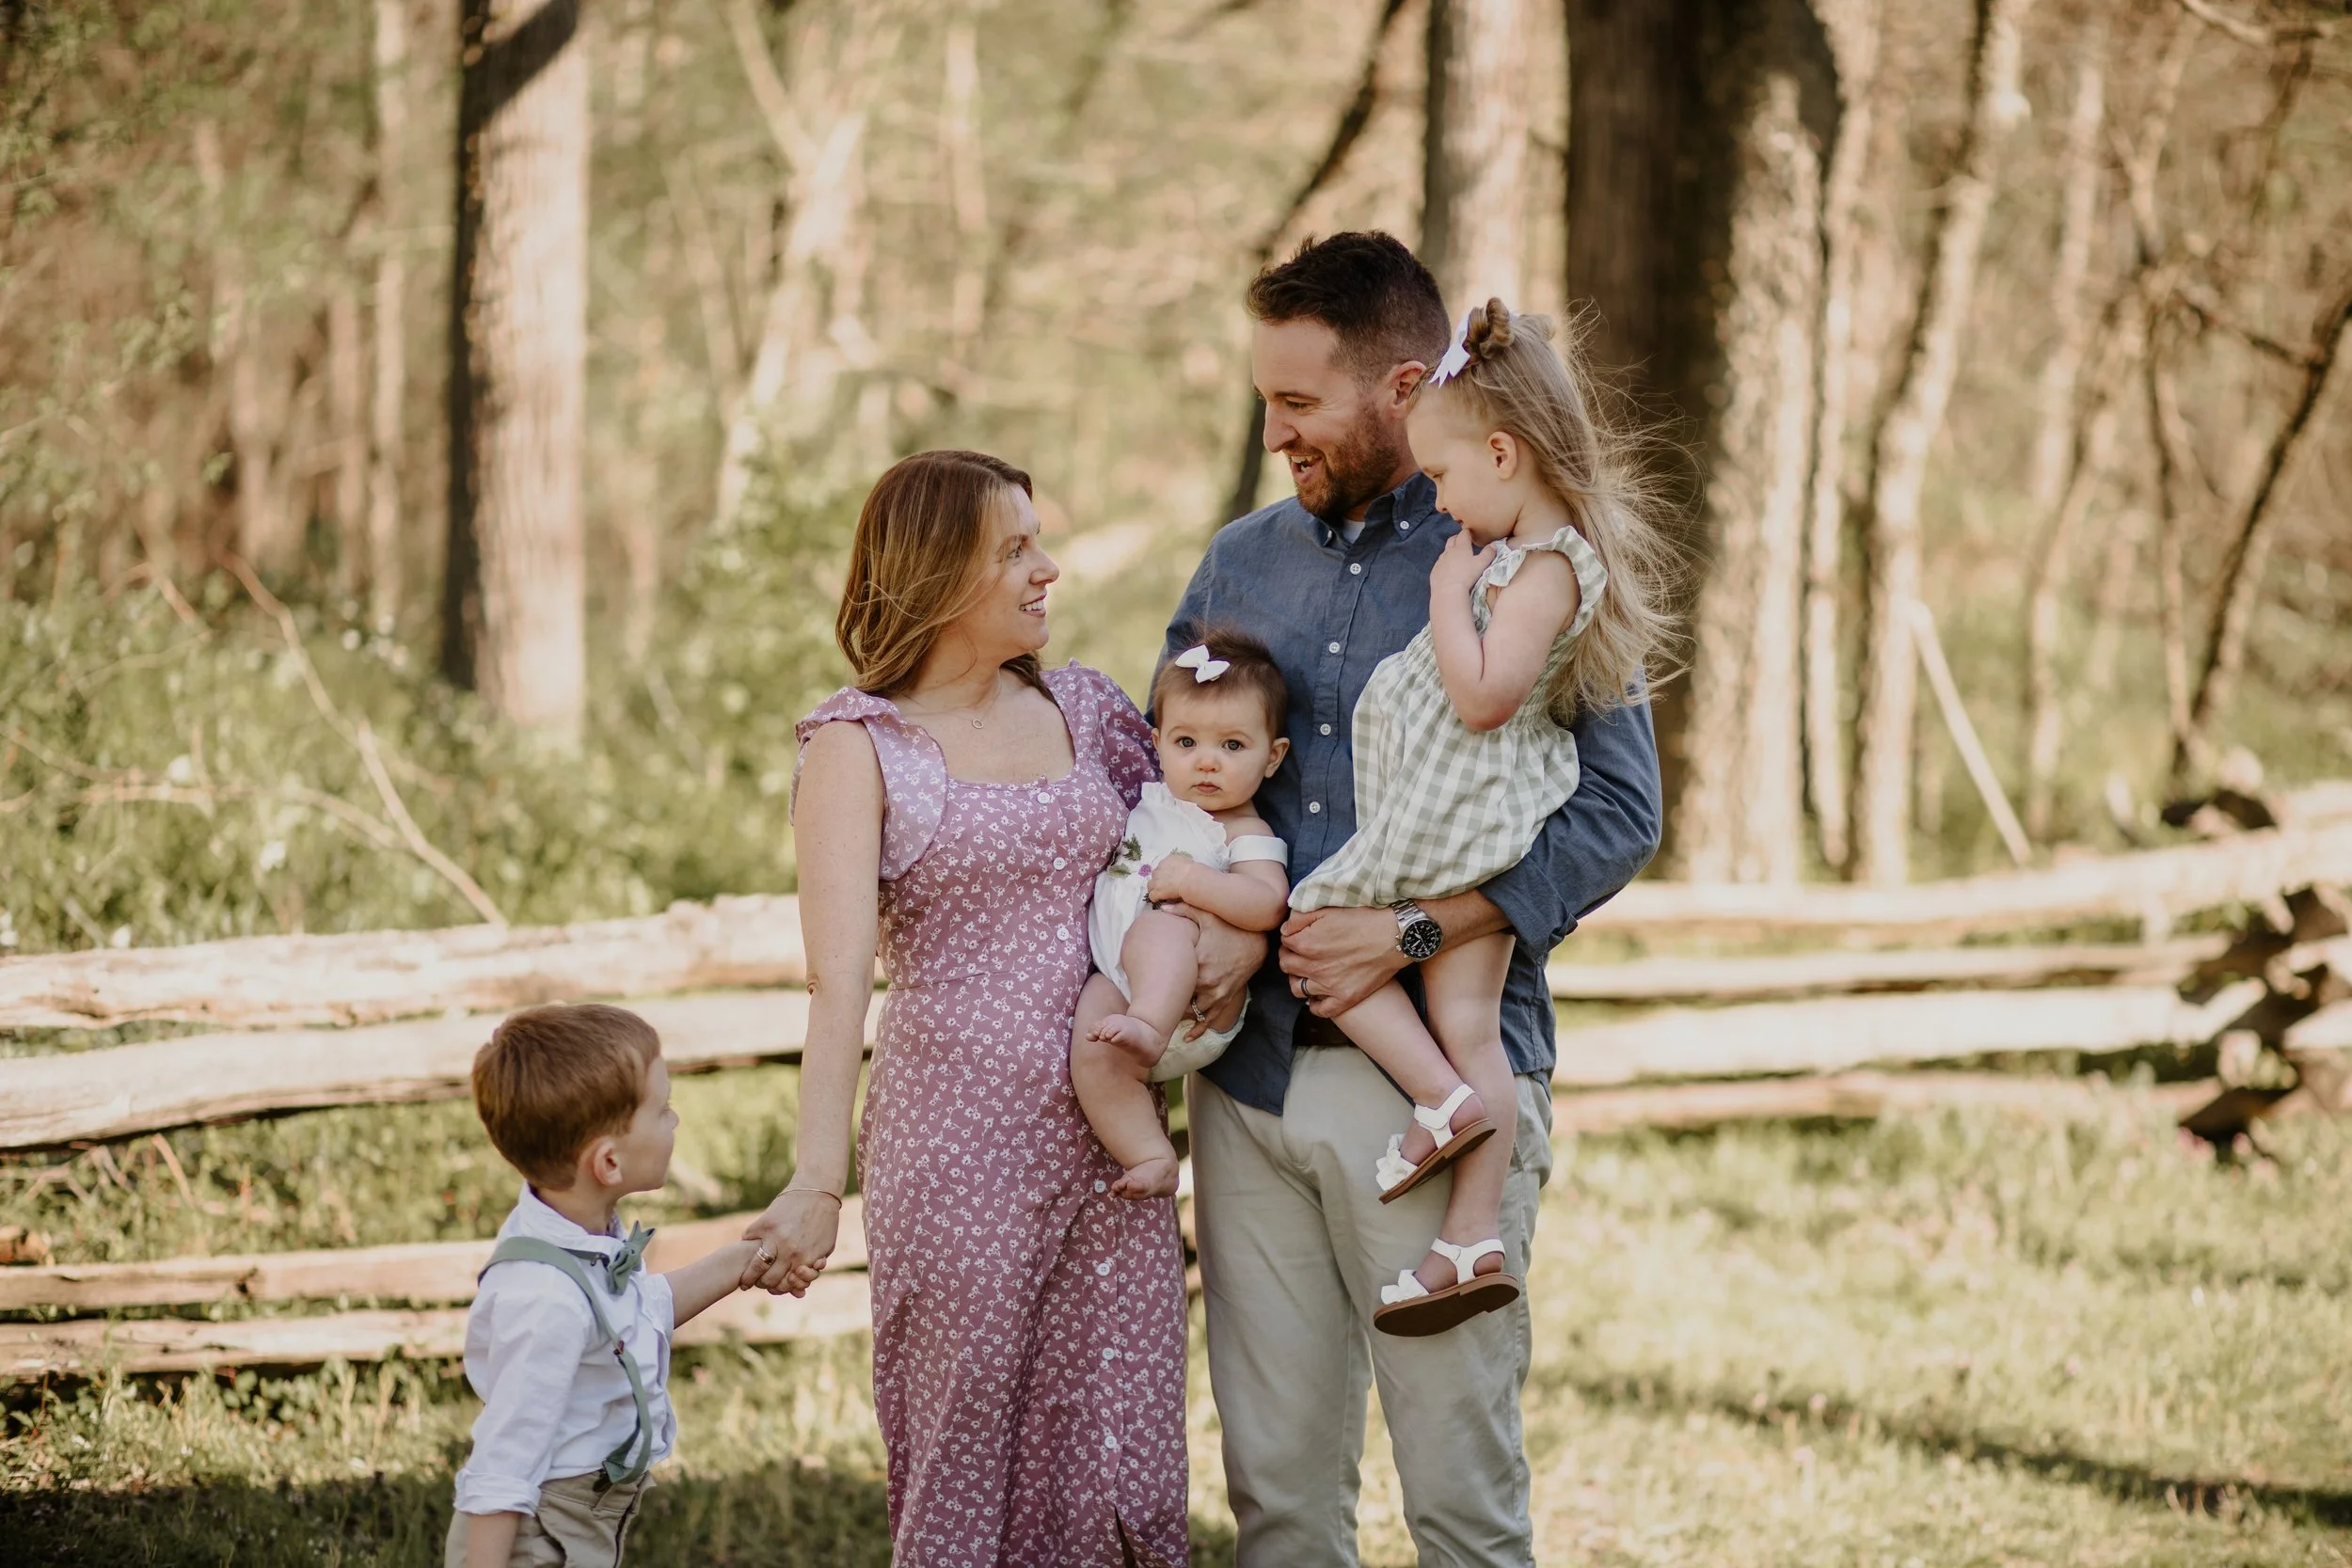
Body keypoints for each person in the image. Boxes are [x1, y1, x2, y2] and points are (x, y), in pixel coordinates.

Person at [1166, 232, 1663, 1566]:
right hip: (1251, 1082)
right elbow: (1172, 783)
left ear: (1399, 388)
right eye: (1263, 399)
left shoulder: (1516, 558)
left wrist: (1419, 927)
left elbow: (1620, 810)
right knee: (1277, 1496)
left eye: (1297, 403)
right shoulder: (1237, 562)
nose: (1273, 432)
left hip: (1434, 1075)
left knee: (1458, 1498)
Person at [742, 450, 1190, 1567]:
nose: (1049, 567)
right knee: (963, 1462)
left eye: (1040, 539)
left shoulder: (1086, 707)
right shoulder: (858, 745)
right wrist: (814, 1182)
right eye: (1016, 549)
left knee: (1117, 1456)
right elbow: (837, 981)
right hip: (955, 1161)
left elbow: (1183, 854)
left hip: (1112, 1148)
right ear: (942, 575)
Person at [1288, 296, 1676, 1338]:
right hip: (1467, 813)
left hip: (1468, 819)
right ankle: (1468, 1236)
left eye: (1448, 479)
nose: (1442, 507)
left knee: (1318, 926)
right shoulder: (1521, 556)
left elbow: (1484, 697)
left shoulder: (1538, 568)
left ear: (1501, 453)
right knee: (1463, 1030)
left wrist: (1446, 604)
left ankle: (1439, 1106)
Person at [451, 1003, 771, 1568]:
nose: (674, 1120)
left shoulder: (574, 1230)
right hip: (535, 1537)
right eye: (662, 1109)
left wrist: (746, 1261)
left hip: (580, 1520)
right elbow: (503, 1464)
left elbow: (637, 1314)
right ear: (609, 1164)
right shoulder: (544, 1299)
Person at [1072, 628, 1292, 1199]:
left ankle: (1147, 1027)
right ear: (1157, 741)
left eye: (1233, 747)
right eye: (1186, 742)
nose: (1207, 763)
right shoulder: (1152, 801)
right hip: (1123, 991)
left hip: (1191, 1008)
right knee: (1089, 1050)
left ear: (1274, 756)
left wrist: (1196, 882)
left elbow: (1267, 902)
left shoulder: (1245, 831)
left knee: (1162, 926)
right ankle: (1149, 1153)